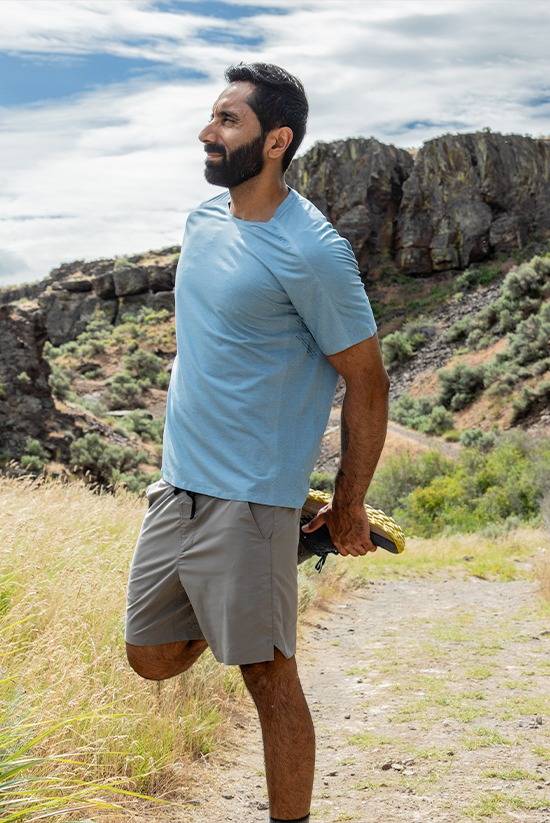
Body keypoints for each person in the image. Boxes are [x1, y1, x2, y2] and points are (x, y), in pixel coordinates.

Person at [124, 61, 390, 823]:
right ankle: (277, 559)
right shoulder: (202, 223)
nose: (208, 133)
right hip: (177, 487)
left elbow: (367, 381)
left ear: (276, 140)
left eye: (227, 121)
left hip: (248, 502)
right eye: (212, 117)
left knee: (267, 677)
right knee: (149, 657)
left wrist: (350, 504)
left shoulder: (314, 252)